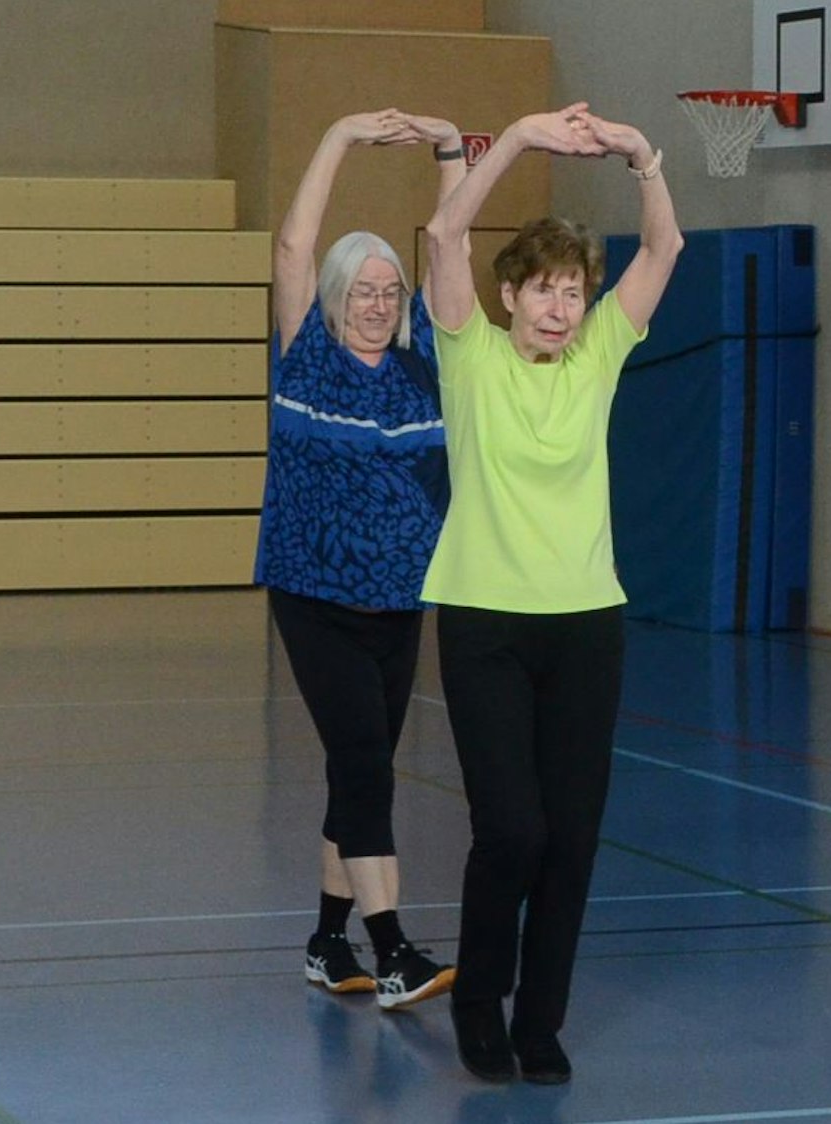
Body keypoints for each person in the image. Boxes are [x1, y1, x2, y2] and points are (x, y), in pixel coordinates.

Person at [421, 102, 681, 1085]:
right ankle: (478, 1001)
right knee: (512, 830)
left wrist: (641, 156)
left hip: (585, 628)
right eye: (544, 289)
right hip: (484, 622)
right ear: (511, 293)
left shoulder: (600, 354)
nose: (561, 307)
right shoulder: (469, 352)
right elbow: (443, 233)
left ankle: (540, 1020)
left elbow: (666, 246)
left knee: (570, 839)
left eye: (574, 291)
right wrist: (522, 140)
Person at [257, 108, 466, 1010]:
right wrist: (339, 136)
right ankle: (393, 951)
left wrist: (452, 151)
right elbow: (293, 247)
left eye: (390, 291)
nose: (377, 304)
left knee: (359, 767)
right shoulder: (308, 358)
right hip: (317, 600)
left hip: (400, 603)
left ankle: (325, 942)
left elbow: (451, 250)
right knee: (366, 764)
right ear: (335, 297)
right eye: (362, 290)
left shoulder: (424, 369)